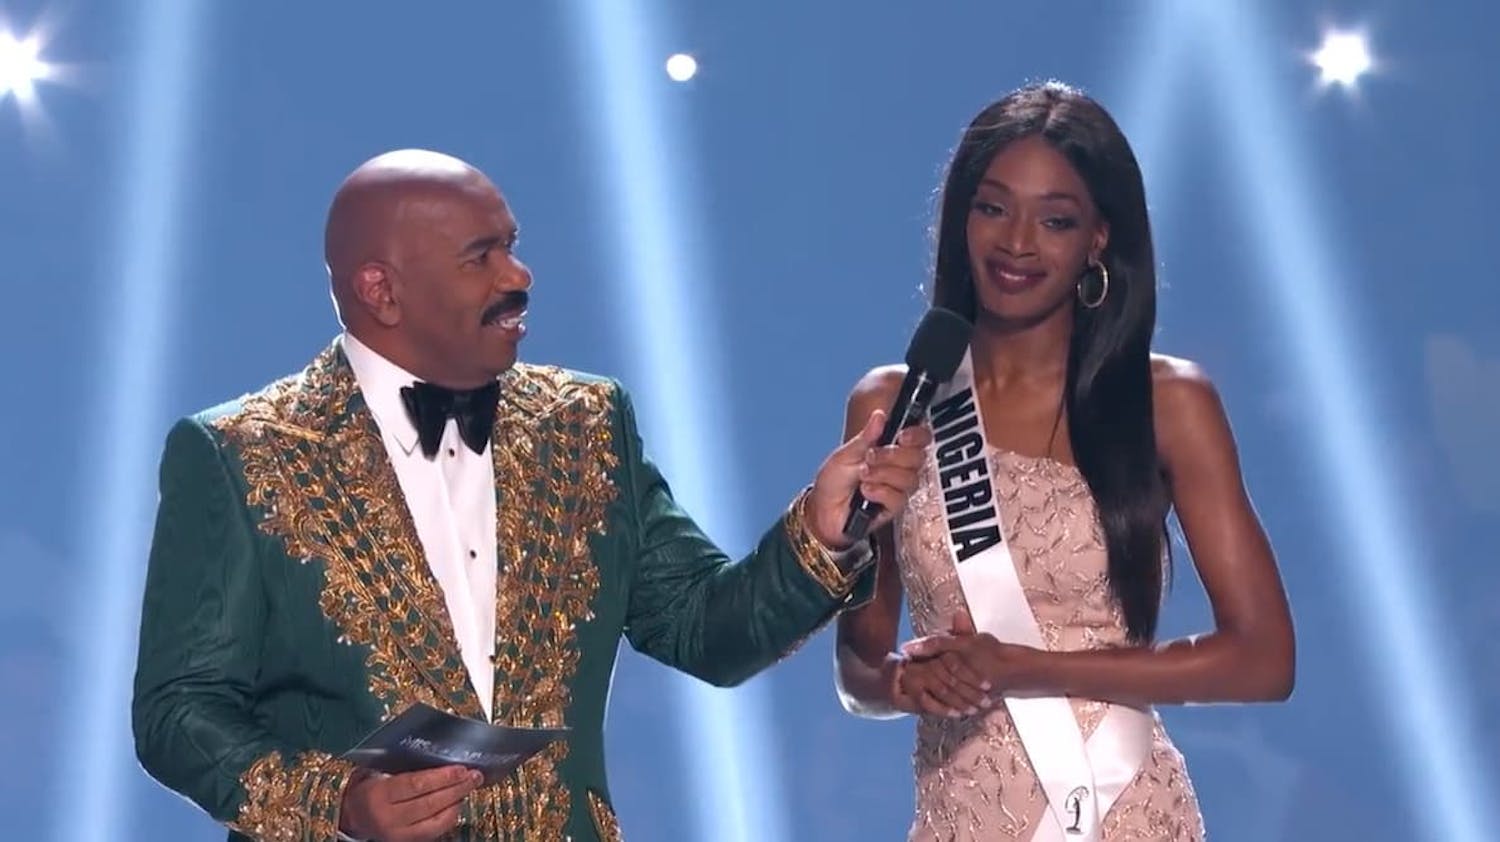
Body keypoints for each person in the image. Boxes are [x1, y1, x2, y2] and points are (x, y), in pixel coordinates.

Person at [132, 149, 932, 842]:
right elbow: (179, 710)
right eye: (481, 258)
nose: (519, 277)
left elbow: (705, 631)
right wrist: (342, 804)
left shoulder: (583, 424)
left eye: (512, 247)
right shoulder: (240, 453)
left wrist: (823, 534)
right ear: (381, 290)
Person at [833, 81, 1295, 841]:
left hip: (1114, 809)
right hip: (958, 813)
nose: (1017, 242)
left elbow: (1263, 659)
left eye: (1055, 220)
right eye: (992, 208)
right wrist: (904, 681)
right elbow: (859, 674)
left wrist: (1024, 669)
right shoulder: (893, 403)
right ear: (960, 220)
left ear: (1098, 239)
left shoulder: (1166, 401)